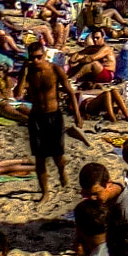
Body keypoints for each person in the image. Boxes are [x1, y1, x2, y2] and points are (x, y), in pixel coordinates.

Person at [18, 41, 82, 202]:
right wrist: (24, 74)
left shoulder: (55, 70)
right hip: (36, 116)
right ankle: (45, 192)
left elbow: (70, 92)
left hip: (54, 116)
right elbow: (17, 94)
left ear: (45, 55)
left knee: (57, 156)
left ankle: (61, 171)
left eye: (38, 57)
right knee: (40, 157)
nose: (36, 61)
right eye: (32, 58)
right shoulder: (28, 71)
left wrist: (77, 115)